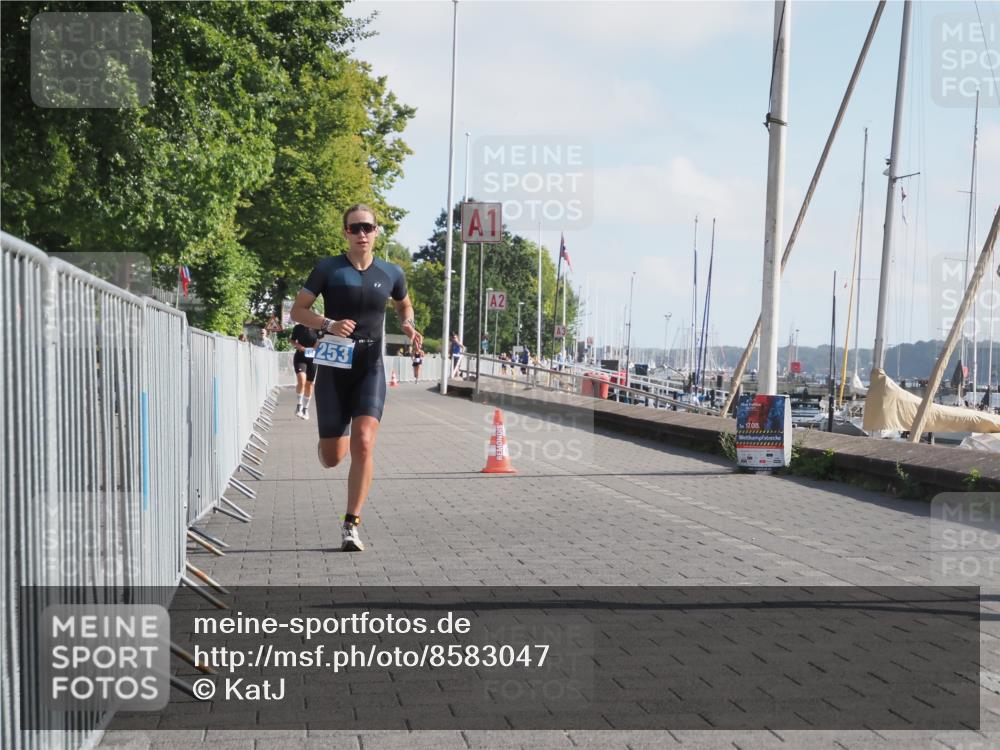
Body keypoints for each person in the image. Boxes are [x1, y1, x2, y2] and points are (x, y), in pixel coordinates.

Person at [290, 204, 422, 552]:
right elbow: (297, 310)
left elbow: (403, 304)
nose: (362, 233)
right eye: (355, 228)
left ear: (377, 231)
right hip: (334, 364)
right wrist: (328, 324)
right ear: (345, 232)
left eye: (368, 227)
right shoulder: (328, 269)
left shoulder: (391, 272)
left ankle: (351, 524)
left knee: (364, 442)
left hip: (369, 366)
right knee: (334, 457)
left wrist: (407, 323)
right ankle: (328, 441)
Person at [290, 322, 318, 419]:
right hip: (300, 357)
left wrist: (316, 346)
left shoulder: (316, 327)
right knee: (301, 380)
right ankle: (299, 405)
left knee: (309, 384)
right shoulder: (298, 327)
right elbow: (292, 340)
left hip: (312, 358)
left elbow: (322, 339)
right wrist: (300, 347)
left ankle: (306, 409)